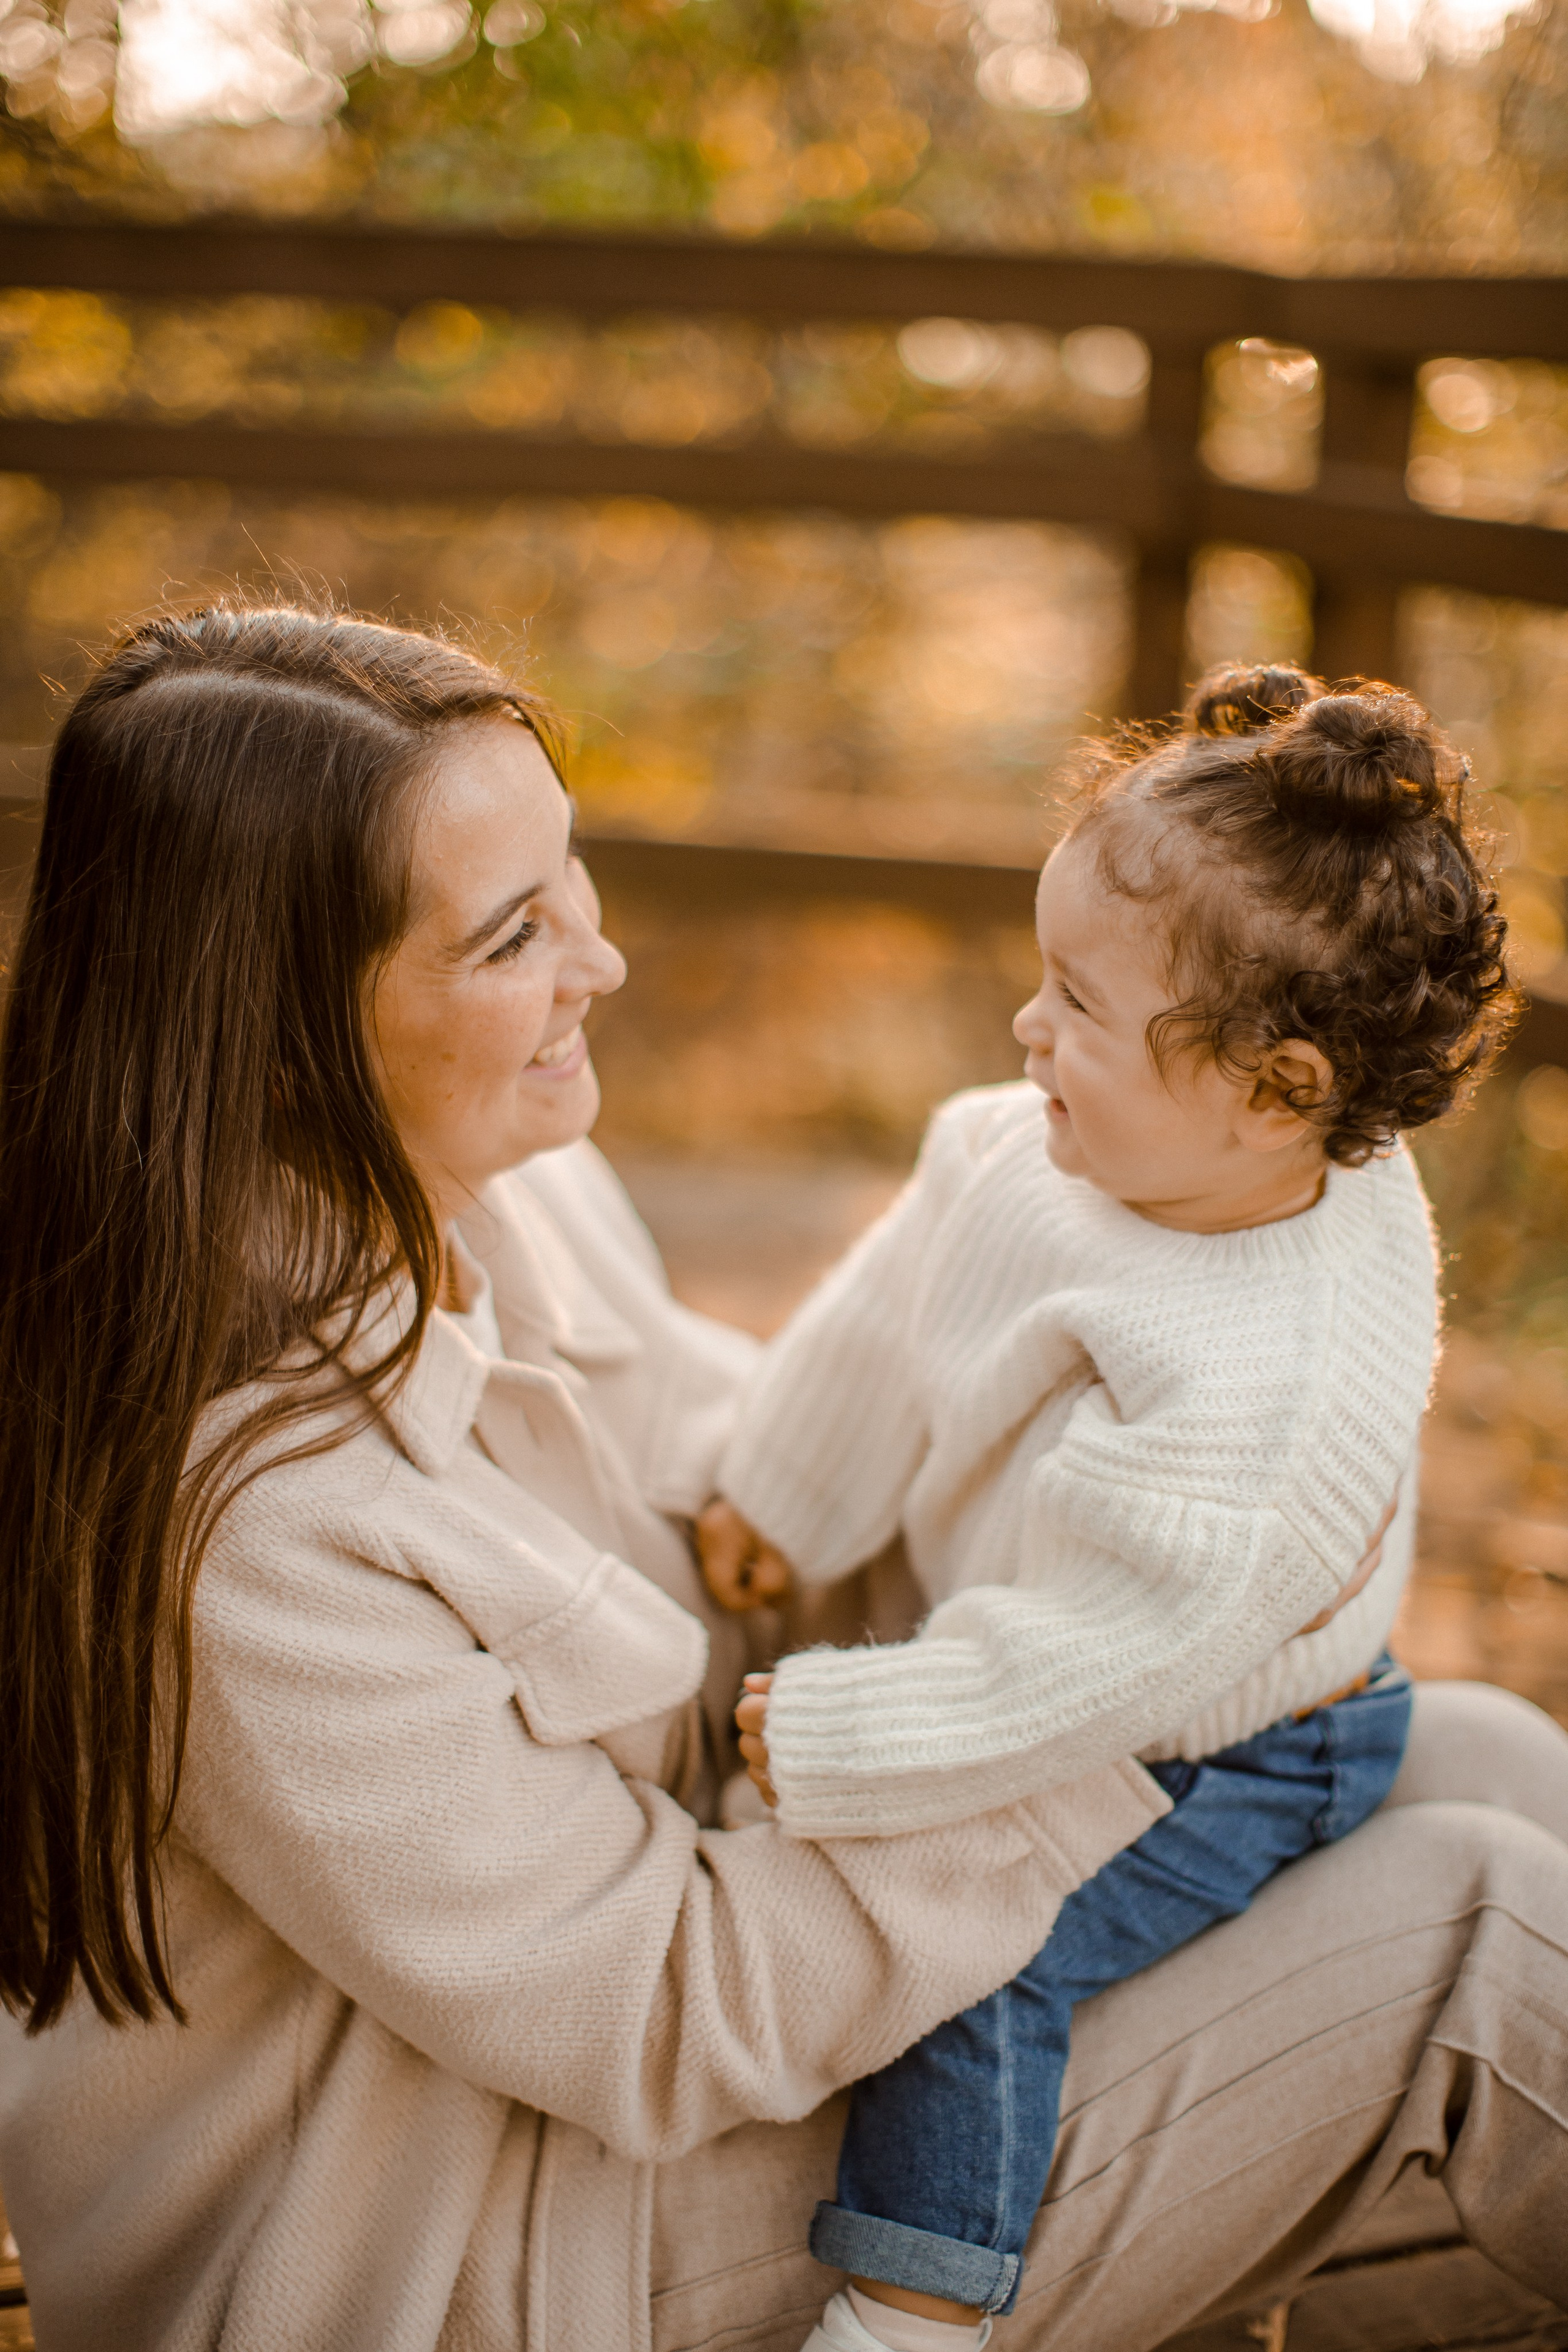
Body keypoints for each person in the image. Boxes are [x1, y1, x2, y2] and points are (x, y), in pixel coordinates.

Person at [0, 605, 1563, 2352]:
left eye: (569, 874)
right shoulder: (247, 1530)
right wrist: (1114, 1711)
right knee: (1491, 1951)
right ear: (277, 1032)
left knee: (1472, 1755)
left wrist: (1186, 1524)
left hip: (650, 2040)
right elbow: (659, 2004)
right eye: (515, 933)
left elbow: (745, 1502)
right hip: (492, 2243)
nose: (598, 961)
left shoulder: (496, 1177)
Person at [699, 666, 1517, 2351]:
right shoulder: (1052, 1145)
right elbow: (899, 1296)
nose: (1027, 1028)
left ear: (1274, 1093)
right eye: (1038, 976)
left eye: (1075, 999)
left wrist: (859, 1726)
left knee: (977, 1942)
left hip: (1222, 1745)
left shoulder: (1266, 1380)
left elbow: (1102, 1661)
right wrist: (784, 1483)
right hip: (1084, 1646)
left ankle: (916, 2298)